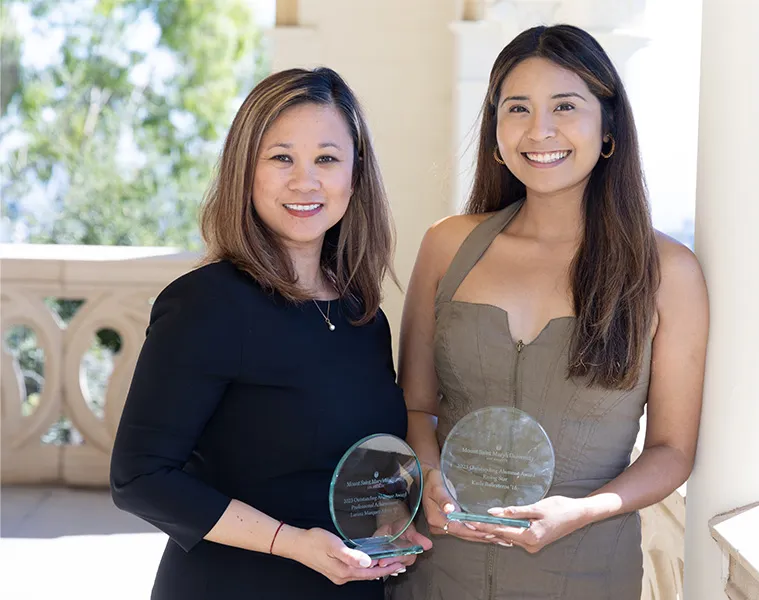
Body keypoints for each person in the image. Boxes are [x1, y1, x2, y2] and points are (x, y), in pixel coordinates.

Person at [389, 25, 709, 600]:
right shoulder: (448, 246)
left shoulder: (667, 272)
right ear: (495, 133)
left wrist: (581, 511)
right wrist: (430, 474)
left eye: (565, 105)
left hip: (585, 571)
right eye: (518, 108)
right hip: (441, 569)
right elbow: (416, 404)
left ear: (608, 126)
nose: (540, 130)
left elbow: (672, 450)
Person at [109, 67, 431, 600]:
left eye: (326, 159)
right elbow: (139, 479)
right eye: (281, 157)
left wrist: (389, 519)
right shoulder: (205, 304)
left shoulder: (362, 314)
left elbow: (362, 462)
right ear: (246, 171)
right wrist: (293, 543)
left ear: (355, 175)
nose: (305, 181)